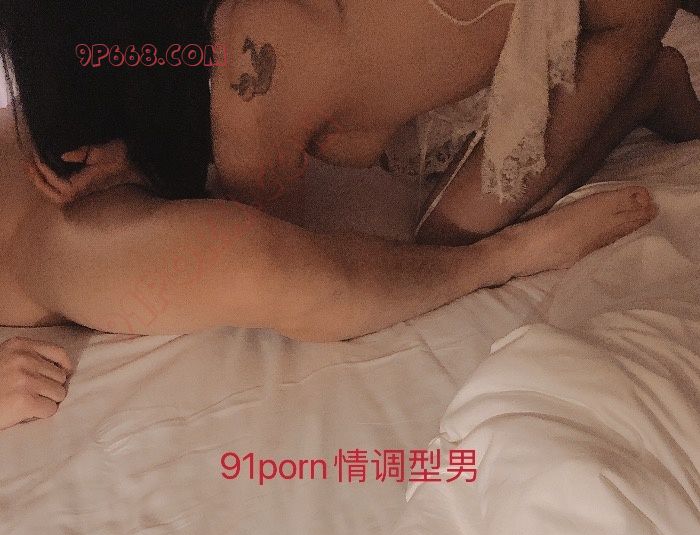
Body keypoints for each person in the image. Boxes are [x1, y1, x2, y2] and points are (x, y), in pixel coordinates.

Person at [0, 1, 657, 430]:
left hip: (82, 138)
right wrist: (506, 256)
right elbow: (299, 276)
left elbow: (298, 267)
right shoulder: (64, 239)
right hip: (60, 193)